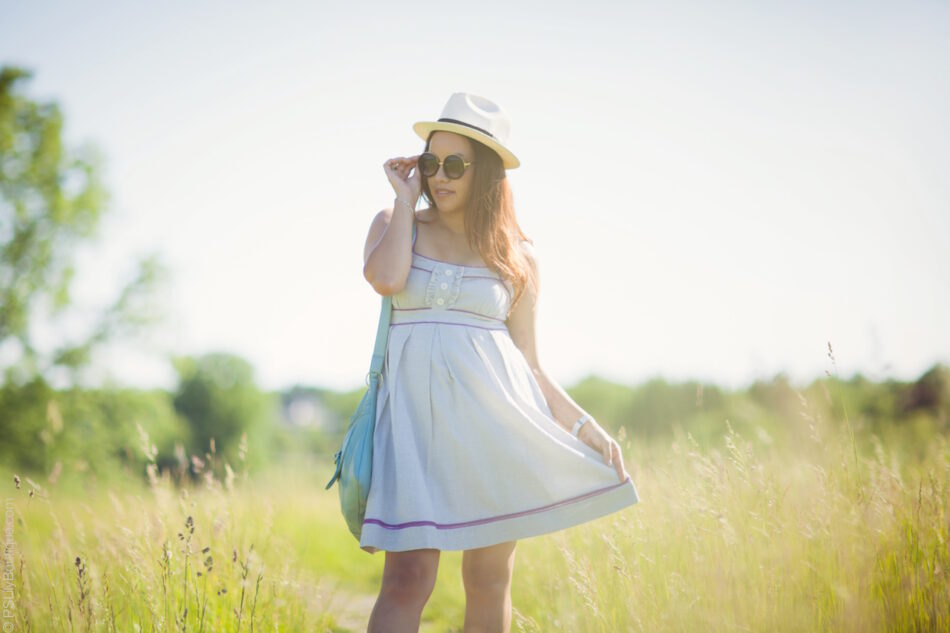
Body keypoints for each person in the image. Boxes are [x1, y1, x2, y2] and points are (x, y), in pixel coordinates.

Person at [360, 93, 639, 633]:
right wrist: (402, 199)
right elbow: (386, 280)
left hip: (494, 431)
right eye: (431, 162)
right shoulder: (399, 224)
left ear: (485, 172)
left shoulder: (517, 255)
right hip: (413, 432)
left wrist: (585, 426)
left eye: (455, 165)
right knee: (407, 580)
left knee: (489, 580)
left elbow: (530, 365)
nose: (440, 176)